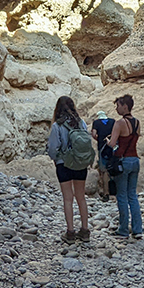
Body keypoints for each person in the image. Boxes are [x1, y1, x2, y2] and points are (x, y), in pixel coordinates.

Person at [47, 95, 91, 244]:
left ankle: (70, 232)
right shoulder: (81, 123)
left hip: (63, 164)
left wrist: (55, 159)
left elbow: (53, 148)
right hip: (80, 163)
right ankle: (85, 231)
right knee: (81, 197)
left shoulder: (57, 126)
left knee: (67, 198)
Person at [106, 94, 143, 240]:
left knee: (121, 196)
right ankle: (137, 229)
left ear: (125, 106)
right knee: (132, 195)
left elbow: (112, 144)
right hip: (135, 160)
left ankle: (123, 230)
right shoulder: (137, 122)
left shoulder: (120, 123)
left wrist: (107, 141)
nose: (117, 109)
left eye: (118, 106)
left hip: (123, 161)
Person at [91, 110, 115, 201]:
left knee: (104, 171)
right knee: (114, 168)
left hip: (102, 148)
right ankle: (116, 191)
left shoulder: (96, 122)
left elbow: (94, 134)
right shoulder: (112, 121)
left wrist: (100, 139)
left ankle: (106, 193)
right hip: (113, 147)